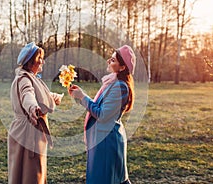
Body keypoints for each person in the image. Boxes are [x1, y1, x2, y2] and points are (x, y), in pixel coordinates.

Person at [68, 45, 136, 184]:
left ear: (122, 67)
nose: (108, 61)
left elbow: (103, 115)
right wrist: (82, 96)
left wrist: (83, 97)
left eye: (112, 60)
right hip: (100, 139)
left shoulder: (120, 86)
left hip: (106, 141)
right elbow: (99, 107)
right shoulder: (111, 82)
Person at [8, 42, 63, 184]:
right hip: (28, 132)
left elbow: (38, 93)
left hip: (27, 130)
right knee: (31, 174)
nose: (42, 61)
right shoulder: (24, 79)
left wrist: (53, 97)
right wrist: (33, 108)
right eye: (40, 58)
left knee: (27, 172)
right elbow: (28, 95)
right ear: (30, 61)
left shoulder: (29, 76)